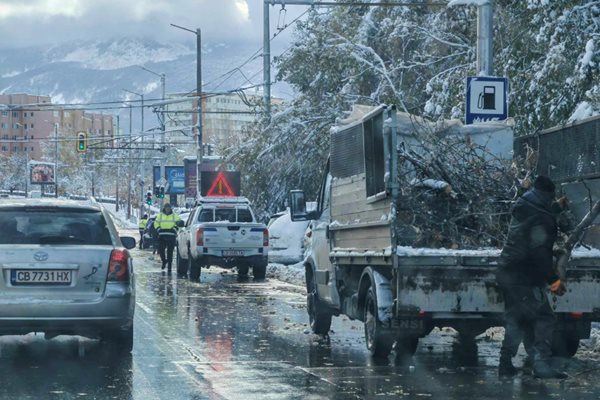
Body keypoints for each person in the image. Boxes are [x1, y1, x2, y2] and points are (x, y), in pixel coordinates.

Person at [496, 175, 568, 379]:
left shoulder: (524, 205)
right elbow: (540, 253)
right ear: (547, 195)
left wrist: (556, 208)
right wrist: (553, 279)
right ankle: (541, 365)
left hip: (509, 272)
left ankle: (505, 364)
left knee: (516, 318)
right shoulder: (541, 218)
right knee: (544, 317)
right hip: (524, 276)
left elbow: (539, 217)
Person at [153, 204, 181, 273]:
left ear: (170, 208)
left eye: (169, 208)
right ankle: (164, 261)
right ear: (164, 208)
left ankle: (169, 267)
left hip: (171, 236)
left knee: (170, 252)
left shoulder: (175, 215)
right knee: (161, 250)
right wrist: (158, 229)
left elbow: (179, 223)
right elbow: (156, 223)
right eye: (166, 208)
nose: (167, 209)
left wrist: (174, 229)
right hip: (162, 236)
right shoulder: (160, 215)